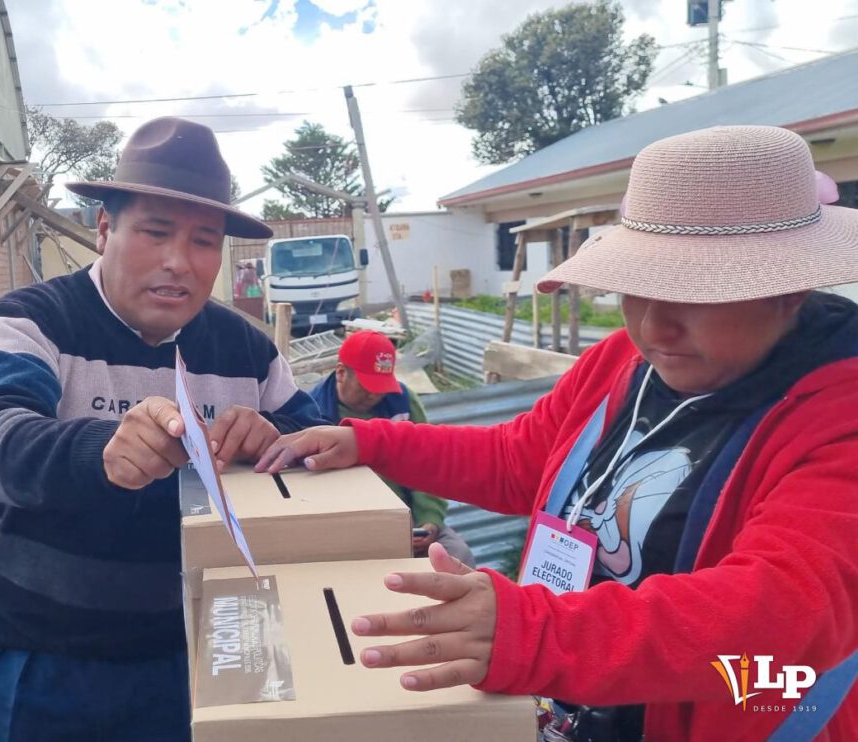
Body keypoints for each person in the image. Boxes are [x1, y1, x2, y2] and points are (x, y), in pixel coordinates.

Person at [257, 126, 858, 741]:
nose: (653, 327)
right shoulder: (622, 362)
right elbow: (518, 460)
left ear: (789, 290)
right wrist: (371, 443)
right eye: (635, 289)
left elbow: (785, 611)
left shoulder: (840, 420)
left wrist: (535, 632)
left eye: (696, 294)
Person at [0, 117, 326, 742]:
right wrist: (99, 448)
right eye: (155, 232)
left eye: (204, 242)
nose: (178, 262)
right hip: (43, 657)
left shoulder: (248, 351)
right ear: (105, 229)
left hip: (203, 651)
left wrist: (270, 433)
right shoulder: (32, 322)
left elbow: (313, 436)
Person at [309, 330, 475, 567]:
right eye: (367, 386)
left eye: (381, 386)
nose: (374, 395)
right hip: (349, 524)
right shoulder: (313, 413)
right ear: (341, 373)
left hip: (408, 518)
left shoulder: (403, 403)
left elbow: (428, 463)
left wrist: (429, 521)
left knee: (458, 556)